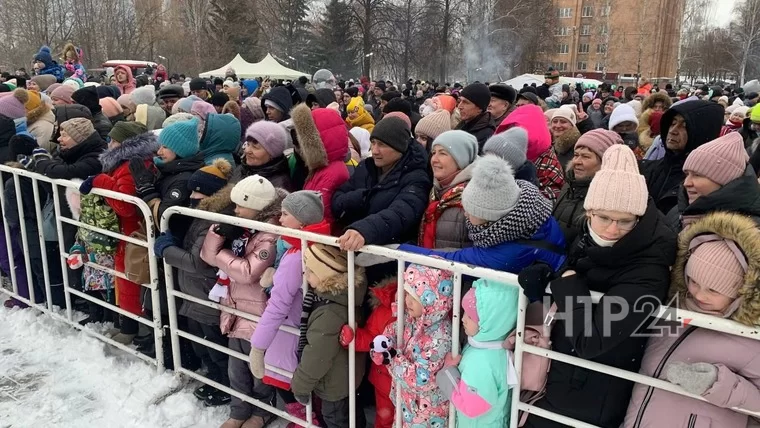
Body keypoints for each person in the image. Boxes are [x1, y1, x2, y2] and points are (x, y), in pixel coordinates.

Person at [518, 145, 677, 428]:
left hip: (595, 387)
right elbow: (575, 274)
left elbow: (593, 339)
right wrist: (550, 275)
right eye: (604, 217)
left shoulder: (650, 263)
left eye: (625, 221)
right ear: (590, 212)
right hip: (560, 373)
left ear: (639, 217)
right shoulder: (587, 236)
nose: (613, 229)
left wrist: (566, 283)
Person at [622, 211, 760, 428]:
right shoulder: (670, 312)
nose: (699, 295)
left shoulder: (751, 337)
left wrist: (717, 384)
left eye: (713, 290)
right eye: (693, 281)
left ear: (741, 291)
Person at [200, 174, 283, 428]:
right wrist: (217, 233)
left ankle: (262, 409)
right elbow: (206, 255)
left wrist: (221, 253)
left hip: (258, 312)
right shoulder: (242, 229)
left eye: (240, 206)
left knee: (259, 369)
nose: (234, 211)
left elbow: (248, 272)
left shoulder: (269, 235)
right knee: (236, 369)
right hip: (235, 308)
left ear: (257, 206)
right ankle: (238, 410)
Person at [396, 155, 565, 272]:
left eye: (470, 211)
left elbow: (449, 259)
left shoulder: (506, 254)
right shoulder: (535, 216)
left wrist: (398, 251)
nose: (466, 216)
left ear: (491, 215)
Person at [155, 159, 235, 407]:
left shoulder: (214, 220)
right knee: (200, 344)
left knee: (214, 345)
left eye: (196, 191)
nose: (191, 196)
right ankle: (213, 377)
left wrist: (168, 250)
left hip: (206, 292)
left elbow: (198, 261)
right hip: (193, 290)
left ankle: (224, 386)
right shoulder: (197, 214)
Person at [248, 191, 330, 425]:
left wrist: (258, 345)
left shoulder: (296, 254)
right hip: (305, 325)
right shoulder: (313, 244)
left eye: (285, 214)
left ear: (302, 221)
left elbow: (278, 305)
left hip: (289, 329)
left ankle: (305, 420)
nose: (280, 219)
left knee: (287, 383)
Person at [291, 244, 368, 428]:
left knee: (336, 420)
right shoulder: (346, 298)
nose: (305, 276)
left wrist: (300, 386)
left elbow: (317, 355)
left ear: (325, 277)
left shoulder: (329, 312)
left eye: (310, 272)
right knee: (353, 417)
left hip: (334, 385)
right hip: (348, 379)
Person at [332, 116, 432, 250]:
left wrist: (364, 230)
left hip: (389, 258)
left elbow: (401, 213)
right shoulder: (365, 168)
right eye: (373, 143)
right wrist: (362, 197)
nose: (374, 150)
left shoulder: (416, 178)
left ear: (399, 147)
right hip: (354, 248)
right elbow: (337, 198)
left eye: (382, 144)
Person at [378, 263, 453, 428]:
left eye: (414, 298)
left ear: (432, 302)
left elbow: (421, 378)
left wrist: (391, 358)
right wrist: (383, 345)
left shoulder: (440, 337)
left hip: (428, 412)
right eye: (407, 295)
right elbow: (394, 331)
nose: (408, 301)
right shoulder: (413, 319)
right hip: (407, 403)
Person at [442, 279, 519, 427]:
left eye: (470, 317)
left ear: (491, 322)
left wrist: (447, 374)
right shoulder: (496, 348)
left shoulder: (481, 361)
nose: (463, 319)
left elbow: (473, 406)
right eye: (464, 312)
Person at [640, 99, 724, 214]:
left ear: (702, 132)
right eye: (673, 123)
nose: (673, 131)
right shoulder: (648, 169)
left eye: (684, 126)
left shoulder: (706, 185)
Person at [665, 132, 760, 232]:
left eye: (697, 175)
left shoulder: (746, 232)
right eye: (687, 174)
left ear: (726, 179)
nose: (686, 183)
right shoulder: (679, 210)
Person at [552, 129, 621, 244]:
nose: (576, 161)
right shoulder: (570, 184)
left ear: (604, 162)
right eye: (576, 155)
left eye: (585, 156)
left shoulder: (606, 201)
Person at [417, 130, 478, 249]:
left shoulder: (475, 196)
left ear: (461, 158)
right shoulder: (435, 192)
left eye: (443, 153)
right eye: (433, 153)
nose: (434, 159)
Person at [291, 104, 351, 224]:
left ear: (314, 143)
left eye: (303, 140)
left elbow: (320, 217)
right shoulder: (323, 168)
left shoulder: (331, 174)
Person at [496, 104, 565, 202]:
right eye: (510, 129)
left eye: (519, 130)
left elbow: (549, 199)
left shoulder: (547, 163)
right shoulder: (505, 154)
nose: (513, 135)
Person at [232, 121, 293, 190]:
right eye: (248, 144)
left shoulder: (277, 187)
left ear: (272, 154)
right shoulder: (242, 168)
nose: (247, 150)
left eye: (255, 147)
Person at [456, 83, 495, 151]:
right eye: (460, 101)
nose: (459, 106)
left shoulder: (485, 134)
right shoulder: (466, 122)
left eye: (465, 102)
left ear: (480, 108)